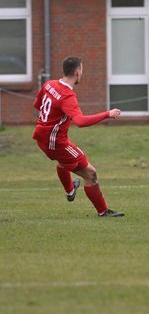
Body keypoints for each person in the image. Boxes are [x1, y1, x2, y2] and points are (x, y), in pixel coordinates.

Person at [32, 56, 124, 217]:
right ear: (77, 72)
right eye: (82, 70)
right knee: (90, 173)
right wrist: (107, 114)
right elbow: (80, 122)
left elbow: (37, 105)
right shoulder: (67, 95)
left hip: (42, 136)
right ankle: (103, 211)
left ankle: (70, 191)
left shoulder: (49, 84)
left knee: (64, 162)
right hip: (56, 142)